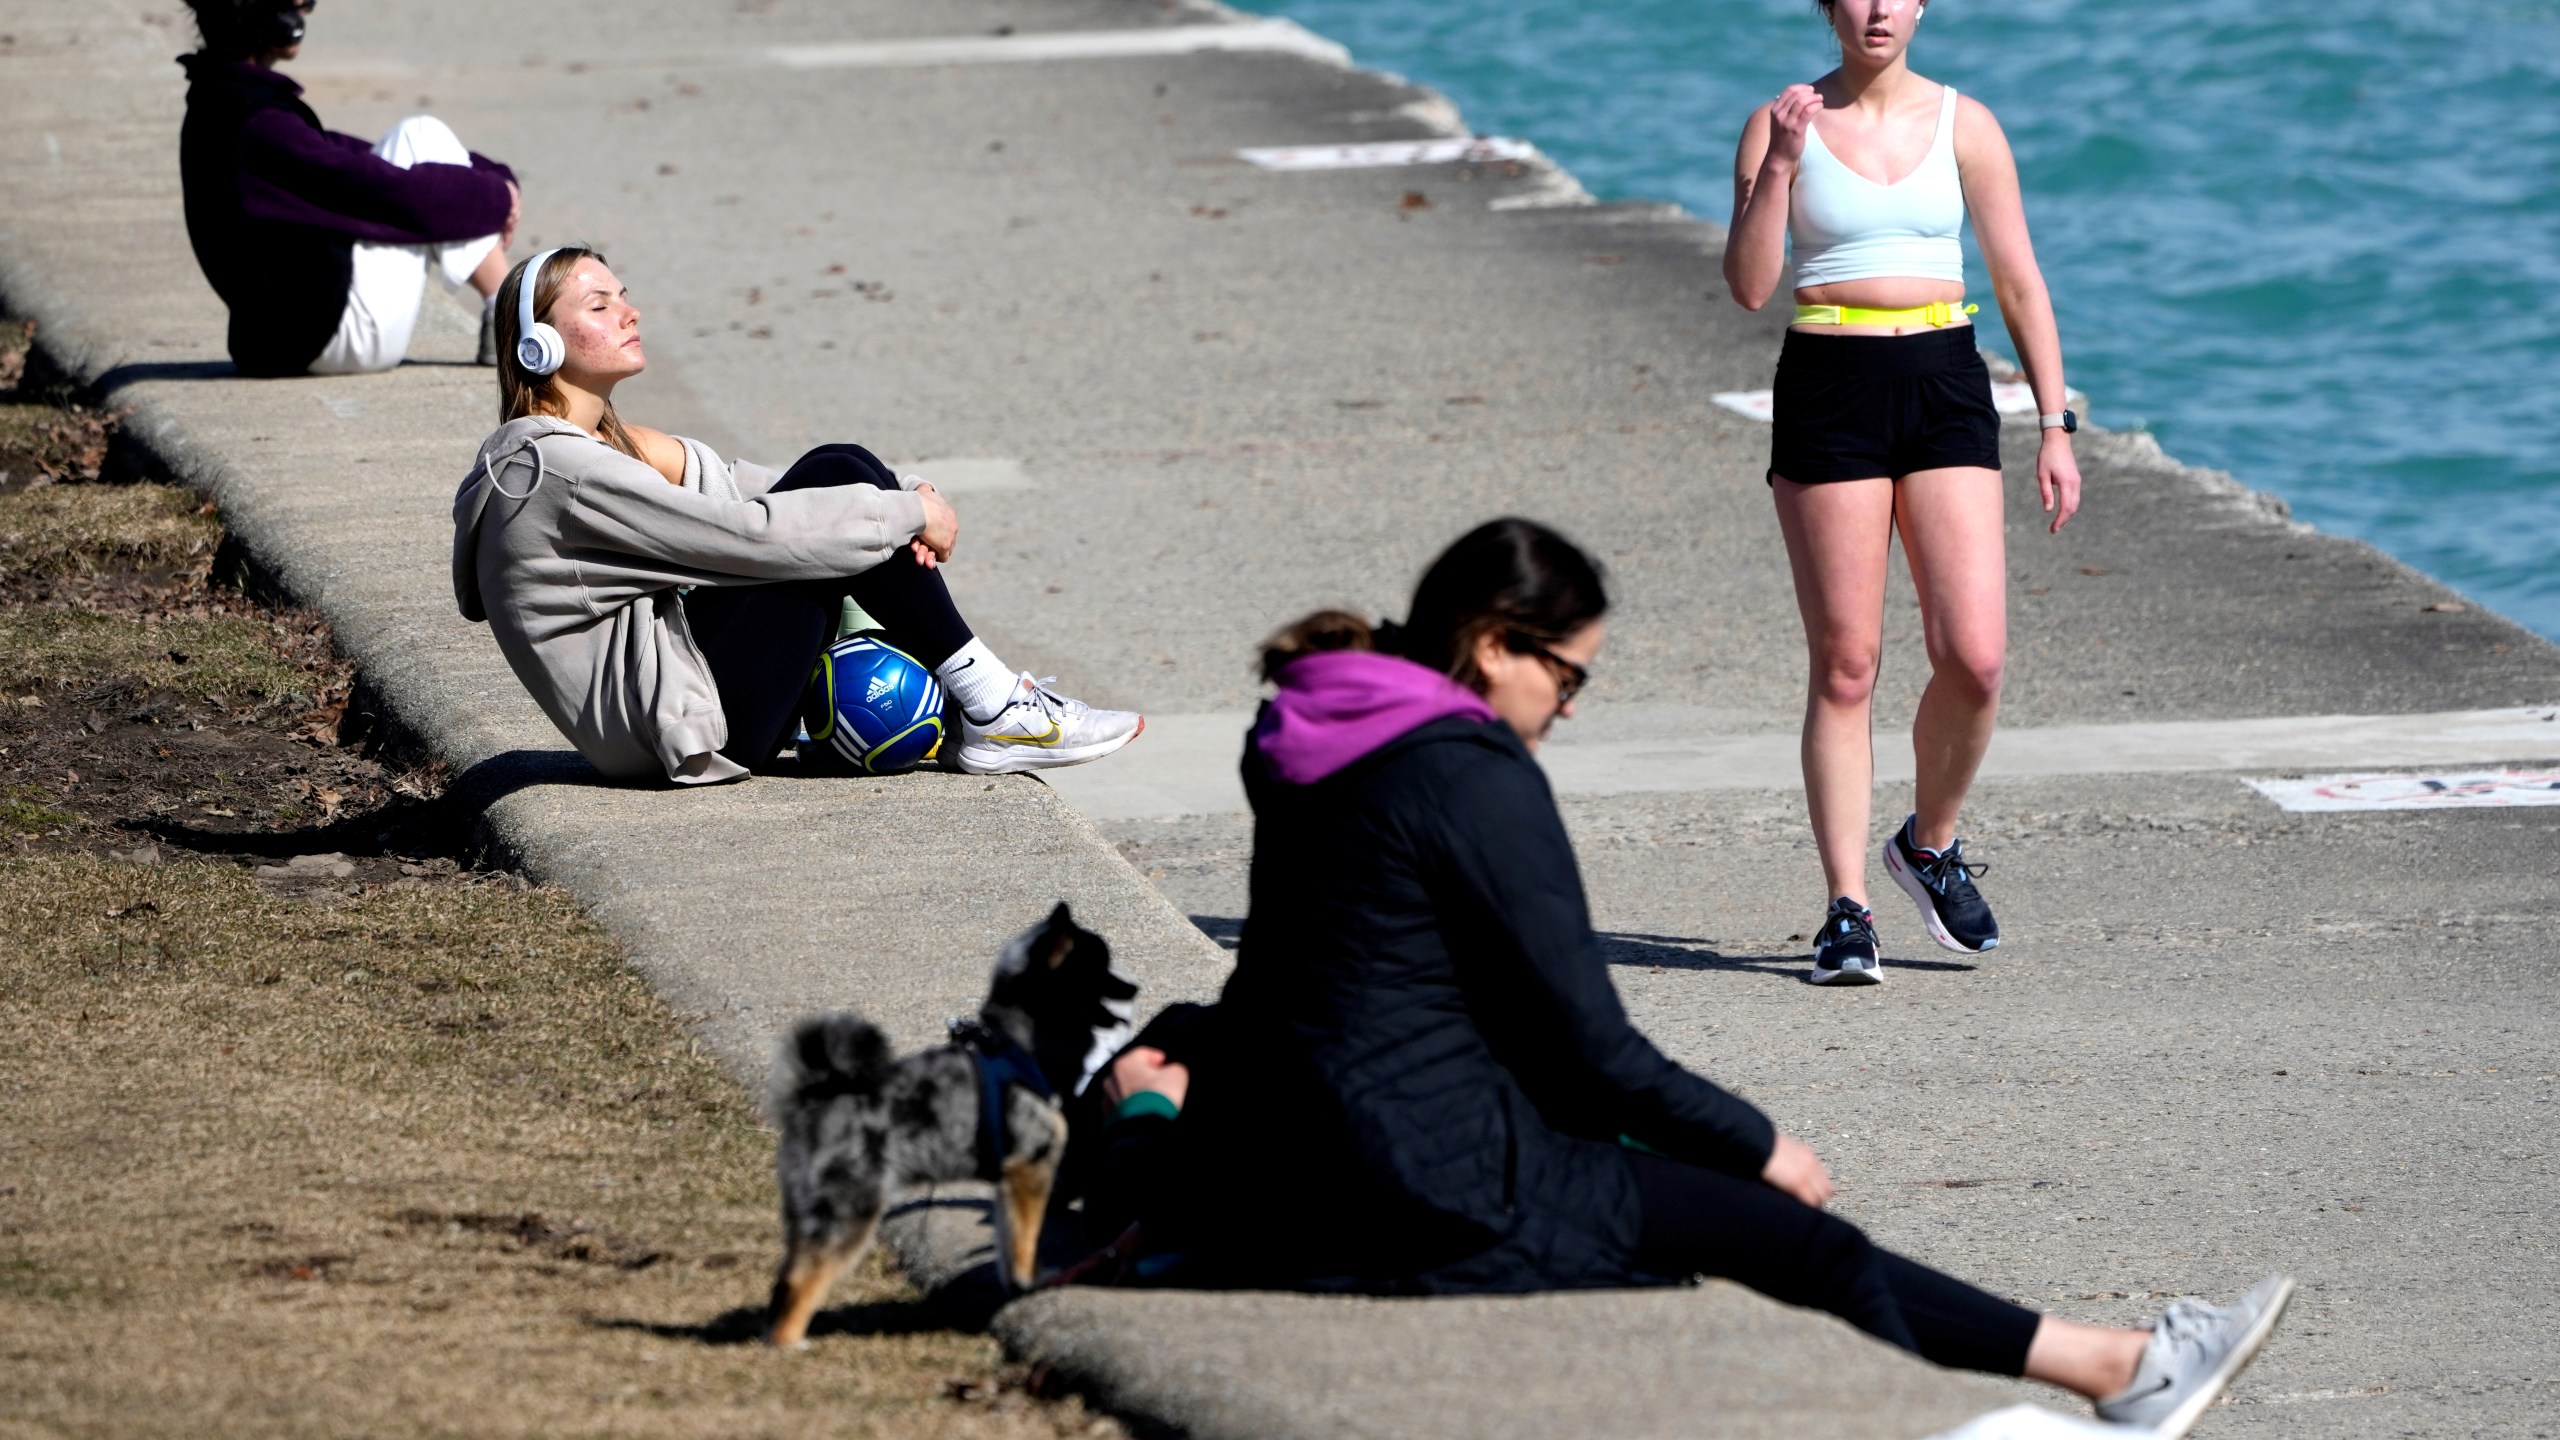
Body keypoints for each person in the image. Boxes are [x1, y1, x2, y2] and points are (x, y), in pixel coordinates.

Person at [1079, 520, 2287, 1438]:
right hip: (1428, 1179)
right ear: (1494, 646)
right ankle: (2115, 1375)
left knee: (1711, 1216)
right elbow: (1586, 1046)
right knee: (1789, 1234)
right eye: (1568, 676)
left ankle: (2108, 1367)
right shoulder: (1471, 776)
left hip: (1322, 1137)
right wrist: (1757, 1142)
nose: (1568, 707)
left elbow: (1313, 968)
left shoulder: (1313, 728)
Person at [451, 246, 1144, 783]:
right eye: (599, 306)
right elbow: (746, 536)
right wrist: (897, 511)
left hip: (684, 712)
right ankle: (996, 708)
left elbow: (738, 485)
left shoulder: (593, 449)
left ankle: (990, 706)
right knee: (840, 486)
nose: (629, 313)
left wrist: (906, 492)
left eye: (624, 298)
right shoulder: (557, 475)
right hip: (689, 730)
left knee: (845, 471)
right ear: (537, 344)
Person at [1721, 0, 2081, 984]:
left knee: (1975, 656)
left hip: (1945, 381)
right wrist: (1784, 166)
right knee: (1846, 664)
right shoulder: (1779, 119)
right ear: (1825, 7)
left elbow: (2017, 281)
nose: (1876, 8)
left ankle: (1929, 840)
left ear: (1920, 4)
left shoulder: (1966, 123)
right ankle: (1847, 910)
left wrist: (2055, 425)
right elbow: (1750, 285)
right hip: (1829, 385)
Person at [178, 0, 524, 376]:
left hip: (274, 339)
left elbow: (347, 158)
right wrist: (499, 195)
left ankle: (502, 309)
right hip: (332, 336)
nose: (307, 11)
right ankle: (507, 315)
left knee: (417, 143)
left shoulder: (223, 101)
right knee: (424, 136)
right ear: (275, 19)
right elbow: (395, 195)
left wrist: (492, 177)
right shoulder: (260, 124)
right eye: (300, 4)